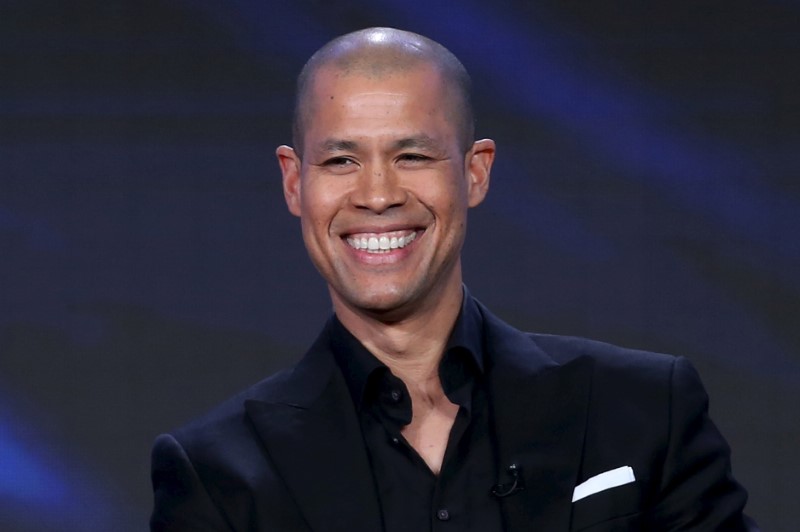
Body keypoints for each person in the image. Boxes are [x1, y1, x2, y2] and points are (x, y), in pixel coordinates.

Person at [150, 27, 757, 531]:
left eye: (412, 156)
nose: (379, 194)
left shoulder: (646, 408)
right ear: (294, 182)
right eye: (341, 160)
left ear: (475, 172)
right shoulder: (218, 476)